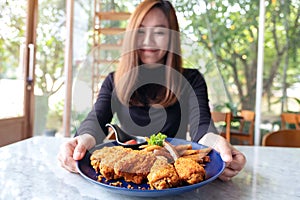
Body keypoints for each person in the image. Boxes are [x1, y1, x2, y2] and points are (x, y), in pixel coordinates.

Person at [58, 0, 246, 182]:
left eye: (160, 32)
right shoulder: (114, 80)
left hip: (174, 173)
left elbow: (202, 127)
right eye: (141, 31)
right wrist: (82, 140)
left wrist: (218, 146)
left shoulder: (192, 79)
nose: (148, 41)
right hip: (127, 173)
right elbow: (97, 119)